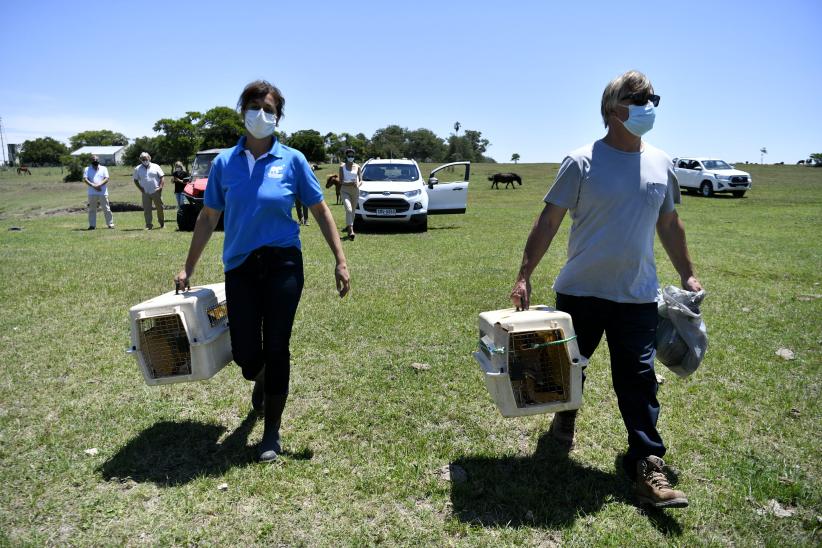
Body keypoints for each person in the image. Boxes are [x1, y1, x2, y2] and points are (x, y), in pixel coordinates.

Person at [509, 70, 703, 509]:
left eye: (653, 97)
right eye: (639, 98)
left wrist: (688, 273)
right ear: (614, 108)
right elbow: (549, 220)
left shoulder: (661, 162)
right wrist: (524, 274)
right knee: (568, 367)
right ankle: (565, 416)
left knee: (637, 380)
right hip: (581, 292)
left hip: (637, 295)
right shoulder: (581, 162)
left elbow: (670, 223)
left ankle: (647, 464)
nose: (649, 105)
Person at [174, 80, 350, 463]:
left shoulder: (293, 160)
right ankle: (262, 376)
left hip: (283, 263)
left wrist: (340, 258)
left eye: (269, 109)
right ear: (243, 111)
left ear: (277, 117)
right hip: (240, 266)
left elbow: (320, 210)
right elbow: (207, 216)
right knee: (247, 354)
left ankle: (271, 431)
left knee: (277, 344)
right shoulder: (224, 163)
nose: (261, 114)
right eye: (255, 106)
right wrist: (187, 267)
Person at [133, 152, 165, 229]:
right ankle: (148, 225)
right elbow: (135, 180)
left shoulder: (156, 166)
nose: (145, 160)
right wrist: (141, 189)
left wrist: (160, 187)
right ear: (140, 159)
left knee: (160, 208)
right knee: (147, 210)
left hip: (156, 191)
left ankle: (162, 224)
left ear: (149, 158)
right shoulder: (137, 169)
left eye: (146, 158)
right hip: (145, 192)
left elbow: (162, 177)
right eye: (143, 159)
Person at [83, 155, 114, 230]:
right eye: (94, 159)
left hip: (103, 192)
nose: (95, 160)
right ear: (91, 160)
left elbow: (106, 178)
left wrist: (99, 185)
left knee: (106, 208)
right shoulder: (87, 169)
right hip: (92, 193)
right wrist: (93, 185)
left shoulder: (104, 168)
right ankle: (92, 225)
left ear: (99, 160)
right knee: (92, 209)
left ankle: (110, 224)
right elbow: (85, 179)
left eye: (96, 159)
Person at [338, 148, 361, 240]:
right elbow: (341, 181)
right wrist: (350, 183)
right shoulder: (342, 167)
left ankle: (349, 228)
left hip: (355, 190)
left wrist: (358, 184)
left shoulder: (358, 166)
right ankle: (351, 230)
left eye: (352, 156)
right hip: (345, 190)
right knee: (349, 209)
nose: (351, 157)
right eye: (349, 156)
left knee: (353, 211)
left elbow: (361, 179)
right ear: (346, 156)